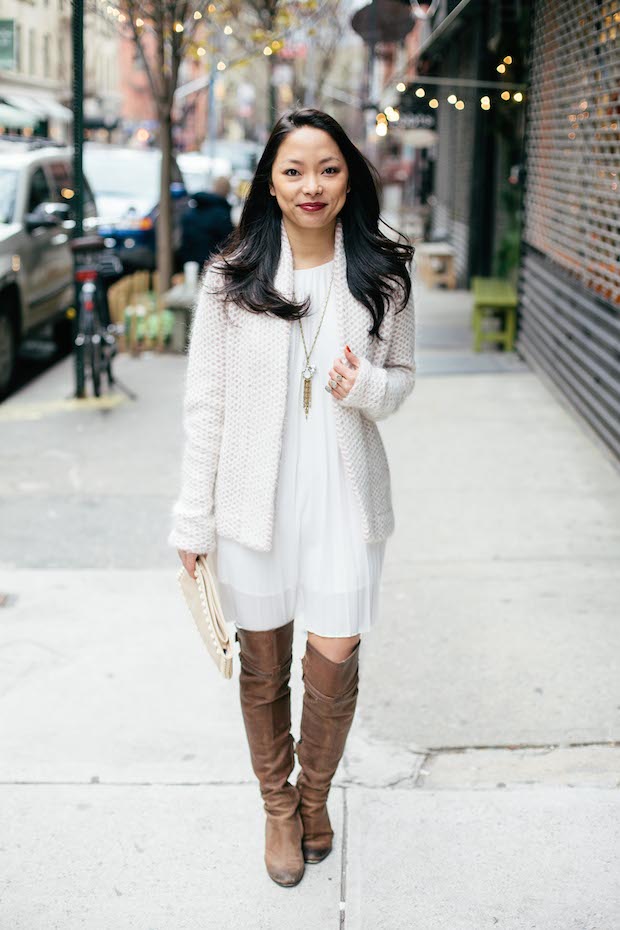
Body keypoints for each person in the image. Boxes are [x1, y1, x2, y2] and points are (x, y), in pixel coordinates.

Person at [168, 108, 416, 888]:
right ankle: (279, 807)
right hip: (254, 495)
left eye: (329, 169)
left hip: (342, 492)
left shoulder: (382, 272)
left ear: (351, 176)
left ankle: (316, 796)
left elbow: (402, 382)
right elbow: (205, 404)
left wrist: (365, 385)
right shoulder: (231, 275)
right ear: (270, 181)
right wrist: (192, 516)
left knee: (335, 657)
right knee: (264, 663)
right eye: (294, 170)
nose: (312, 185)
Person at [179, 175, 234, 268]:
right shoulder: (222, 213)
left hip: (190, 263)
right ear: (227, 191)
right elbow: (227, 242)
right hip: (212, 264)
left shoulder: (194, 209)